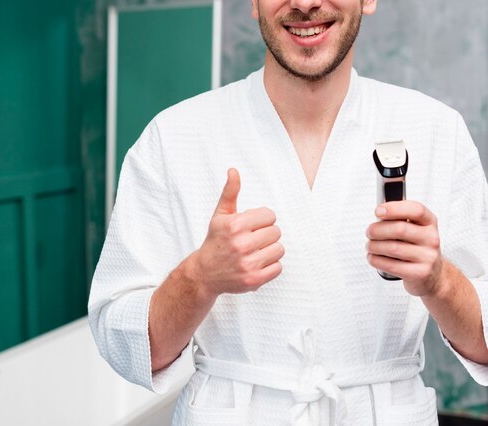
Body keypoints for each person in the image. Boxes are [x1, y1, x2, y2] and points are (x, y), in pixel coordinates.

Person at [88, 0, 488, 424]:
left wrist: (440, 282)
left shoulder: (436, 130)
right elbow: (122, 345)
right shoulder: (173, 138)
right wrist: (199, 278)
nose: (304, 3)